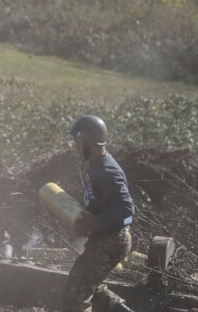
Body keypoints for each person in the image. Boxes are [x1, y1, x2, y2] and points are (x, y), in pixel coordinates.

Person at [64, 115, 136, 312]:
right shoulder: (95, 165)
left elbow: (126, 208)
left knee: (75, 293)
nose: (76, 148)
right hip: (105, 240)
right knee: (89, 287)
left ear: (90, 142)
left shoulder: (107, 170)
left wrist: (95, 224)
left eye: (79, 144)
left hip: (111, 241)